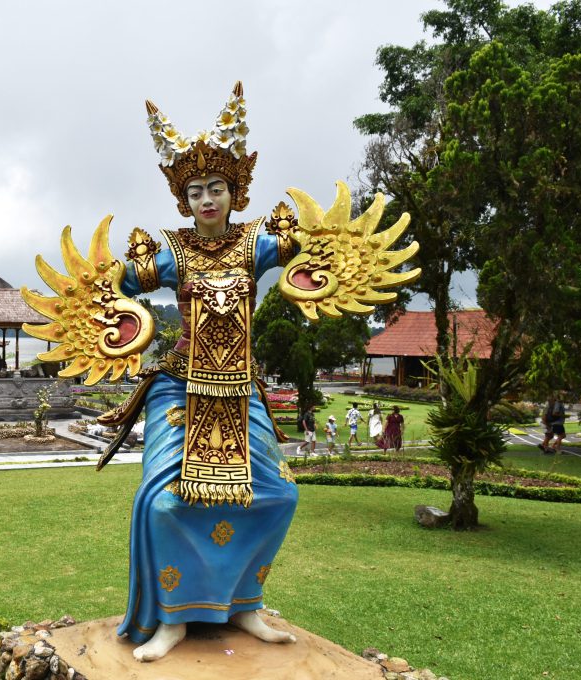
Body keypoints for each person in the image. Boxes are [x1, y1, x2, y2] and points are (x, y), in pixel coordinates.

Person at [24, 81, 420, 663]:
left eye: (217, 188)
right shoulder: (169, 253)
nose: (207, 199)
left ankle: (244, 605)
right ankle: (173, 619)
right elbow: (107, 286)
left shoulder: (256, 245)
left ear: (235, 192)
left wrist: (332, 264)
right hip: (180, 387)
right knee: (164, 503)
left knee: (277, 495)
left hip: (239, 389)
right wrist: (116, 322)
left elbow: (319, 254)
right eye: (195, 191)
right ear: (183, 200)